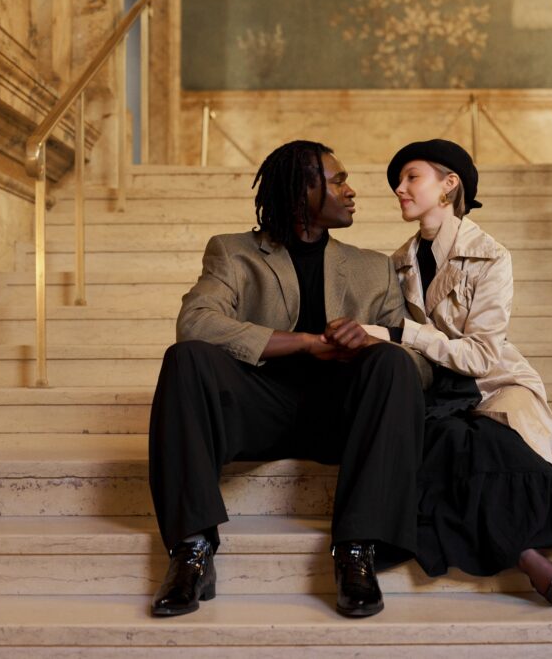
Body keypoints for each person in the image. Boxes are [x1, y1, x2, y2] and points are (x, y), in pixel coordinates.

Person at [323, 139, 552, 606]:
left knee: (492, 441)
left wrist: (401, 332)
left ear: (448, 185)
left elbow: (480, 356)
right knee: (454, 451)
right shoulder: (394, 265)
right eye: (398, 182)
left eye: (411, 177)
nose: (399, 188)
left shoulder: (491, 255)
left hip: (494, 384)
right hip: (438, 393)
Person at [148, 140, 432, 619]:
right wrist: (303, 342)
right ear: (303, 191)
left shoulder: (372, 267)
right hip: (261, 409)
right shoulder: (235, 253)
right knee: (187, 358)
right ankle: (192, 551)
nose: (351, 190)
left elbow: (420, 365)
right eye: (338, 180)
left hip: (341, 416)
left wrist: (367, 342)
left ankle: (356, 552)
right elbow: (195, 322)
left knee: (394, 363)